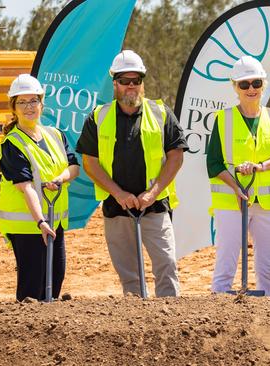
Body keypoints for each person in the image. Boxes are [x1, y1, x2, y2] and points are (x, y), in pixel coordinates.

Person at [76, 50, 187, 297]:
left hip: (155, 206)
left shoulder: (161, 113)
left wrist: (153, 192)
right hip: (117, 209)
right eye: (125, 81)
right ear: (115, 83)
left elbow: (176, 156)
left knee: (167, 265)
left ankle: (172, 324)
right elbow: (90, 162)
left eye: (136, 80)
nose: (131, 86)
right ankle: (136, 324)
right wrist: (118, 193)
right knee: (129, 276)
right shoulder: (98, 117)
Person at [206, 56, 270, 297]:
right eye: (244, 84)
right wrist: (235, 186)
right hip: (232, 203)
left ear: (263, 84)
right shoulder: (223, 120)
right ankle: (219, 312)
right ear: (235, 87)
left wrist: (260, 167)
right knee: (226, 264)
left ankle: (266, 310)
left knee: (267, 267)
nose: (251, 89)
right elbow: (213, 163)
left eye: (256, 83)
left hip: (267, 204)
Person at [0, 74, 80, 301]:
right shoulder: (12, 143)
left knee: (56, 278)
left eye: (33, 101)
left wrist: (61, 179)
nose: (29, 107)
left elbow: (74, 167)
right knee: (32, 288)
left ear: (42, 103)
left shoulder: (55, 134)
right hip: (28, 226)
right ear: (14, 107)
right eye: (22, 102)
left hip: (55, 221)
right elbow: (26, 187)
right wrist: (40, 221)